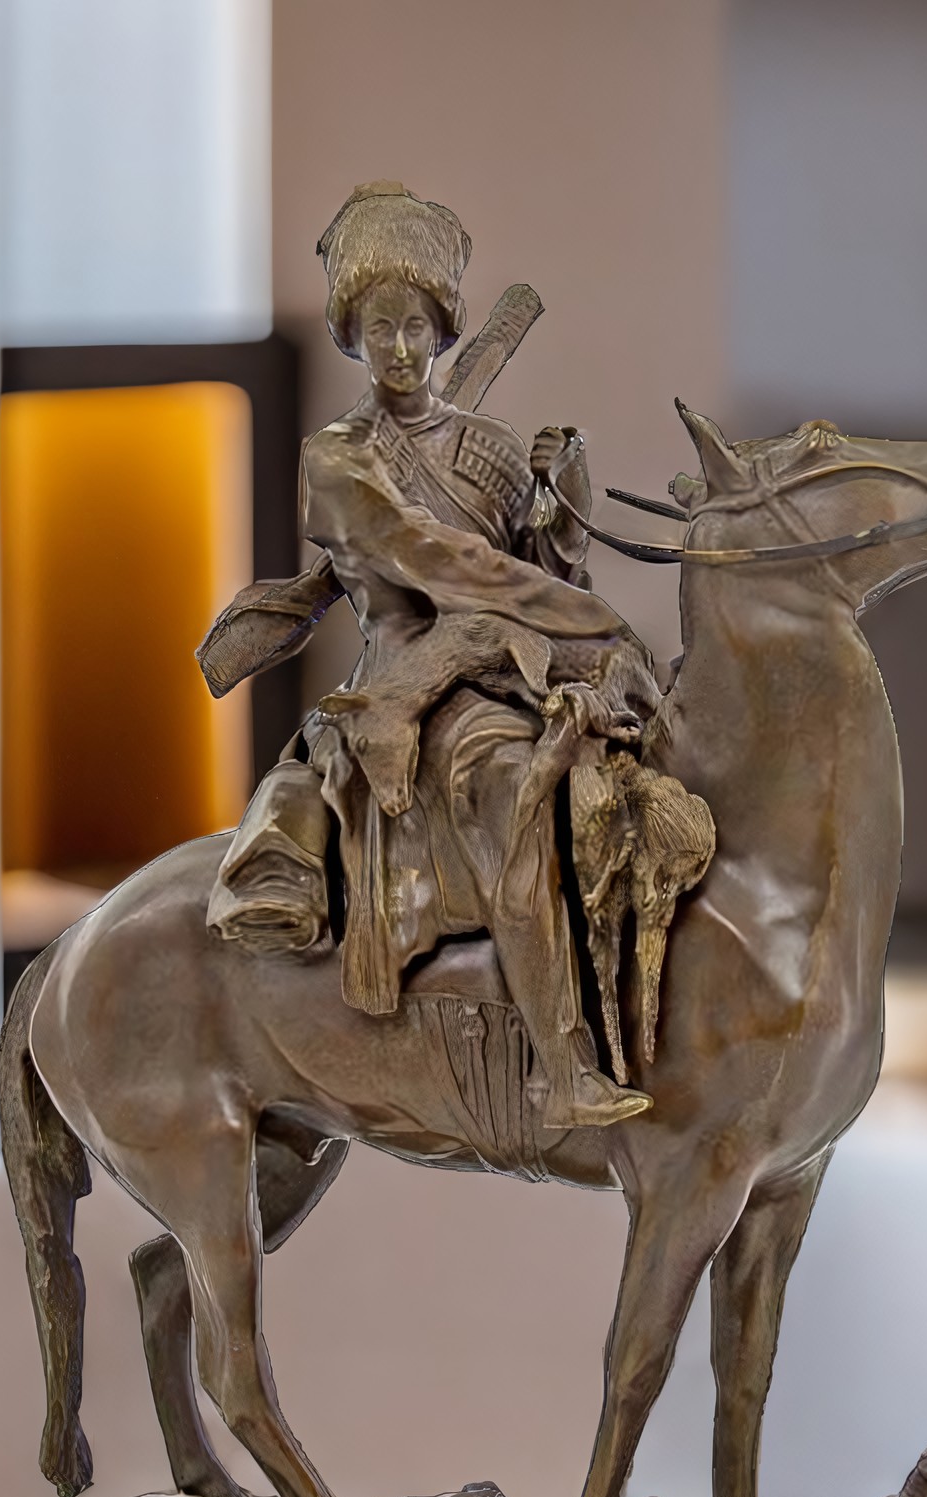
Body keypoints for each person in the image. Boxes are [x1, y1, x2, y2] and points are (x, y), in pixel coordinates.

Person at [208, 183, 661, 1128]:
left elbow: (535, 568)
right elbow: (444, 561)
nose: (402, 348)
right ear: (352, 334)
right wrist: (587, 616)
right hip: (414, 681)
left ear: (443, 330)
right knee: (514, 787)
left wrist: (564, 507)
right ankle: (560, 1067)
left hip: (518, 663)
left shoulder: (489, 446)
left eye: (416, 325)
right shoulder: (338, 460)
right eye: (380, 327)